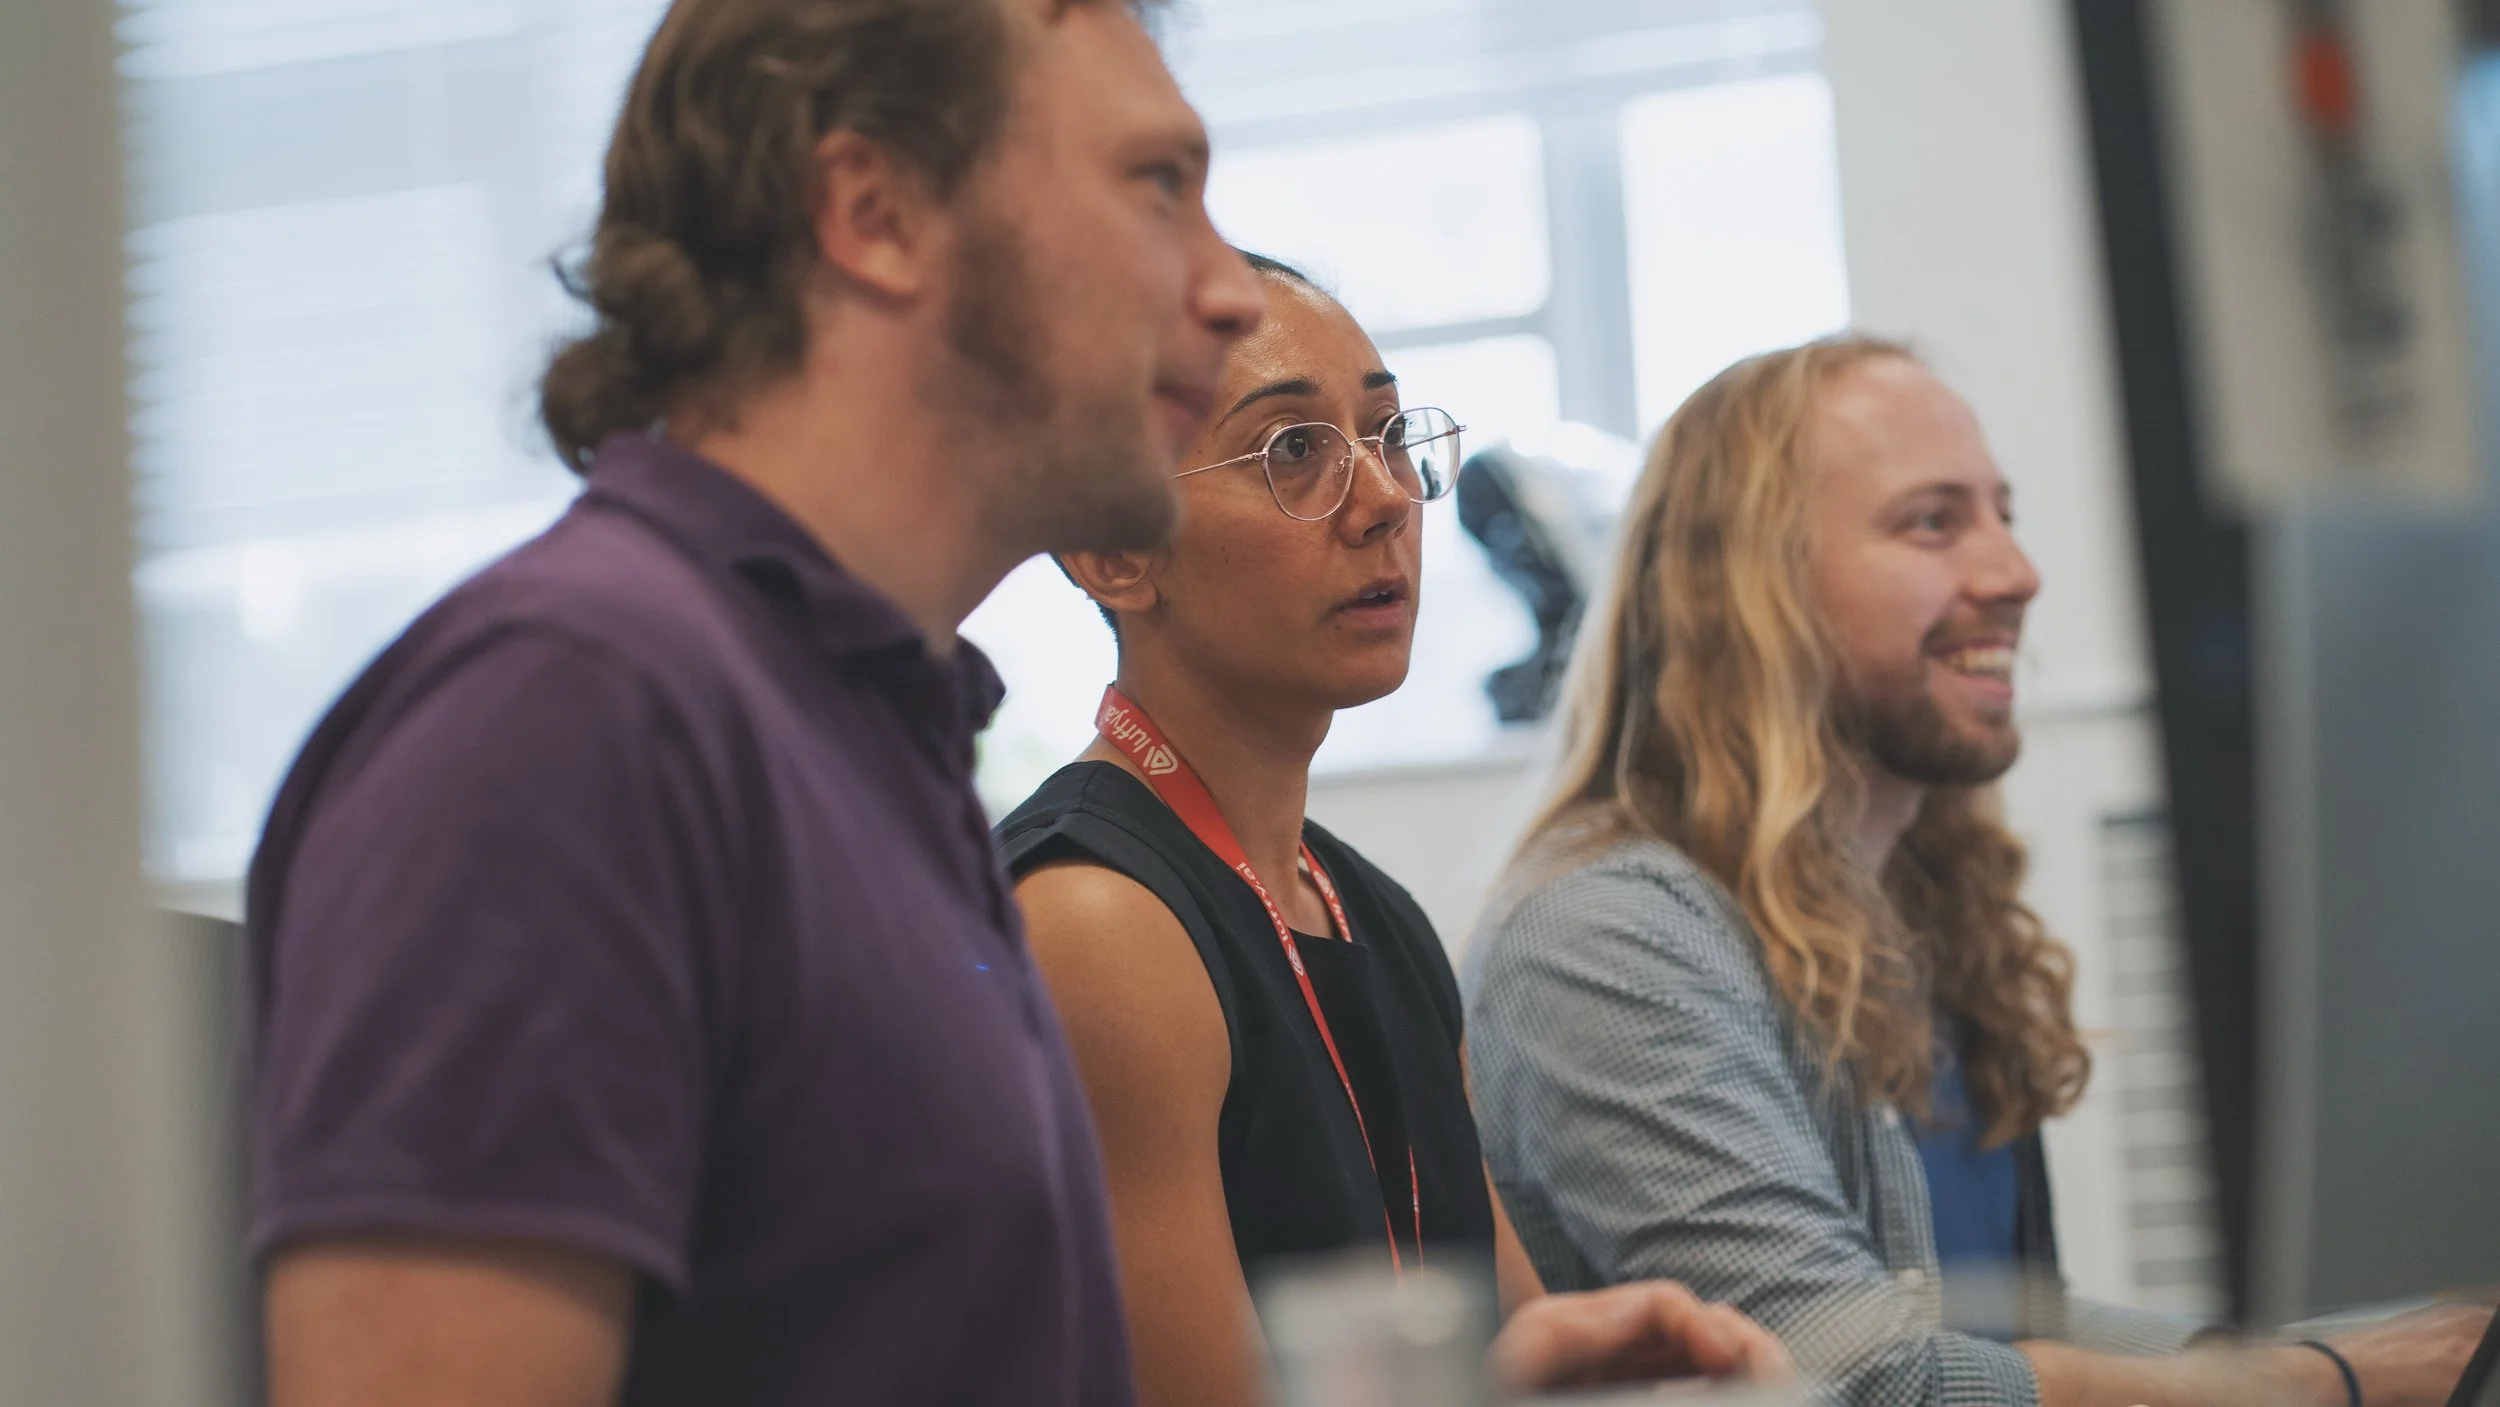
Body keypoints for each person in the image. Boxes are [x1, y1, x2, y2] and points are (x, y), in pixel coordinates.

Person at [244, 1, 1265, 1403]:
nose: (1232, 291)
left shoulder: (851, 716)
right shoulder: (567, 716)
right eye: (1159, 186)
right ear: (875, 211)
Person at [1459, 333, 2495, 1406]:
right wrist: (2333, 1378)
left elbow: (2001, 1326)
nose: (2013, 572)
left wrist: (2375, 1348)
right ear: (1748, 593)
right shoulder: (1607, 940)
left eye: (2002, 514)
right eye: (1932, 522)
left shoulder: (1907, 905)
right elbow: (1865, 1384)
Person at [997, 254, 1795, 1407]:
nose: (1384, 501)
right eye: (1293, 451)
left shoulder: (1367, 908)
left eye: (1385, 435)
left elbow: (1491, 1350)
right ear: (1113, 550)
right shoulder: (1096, 921)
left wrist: (1597, 1359)